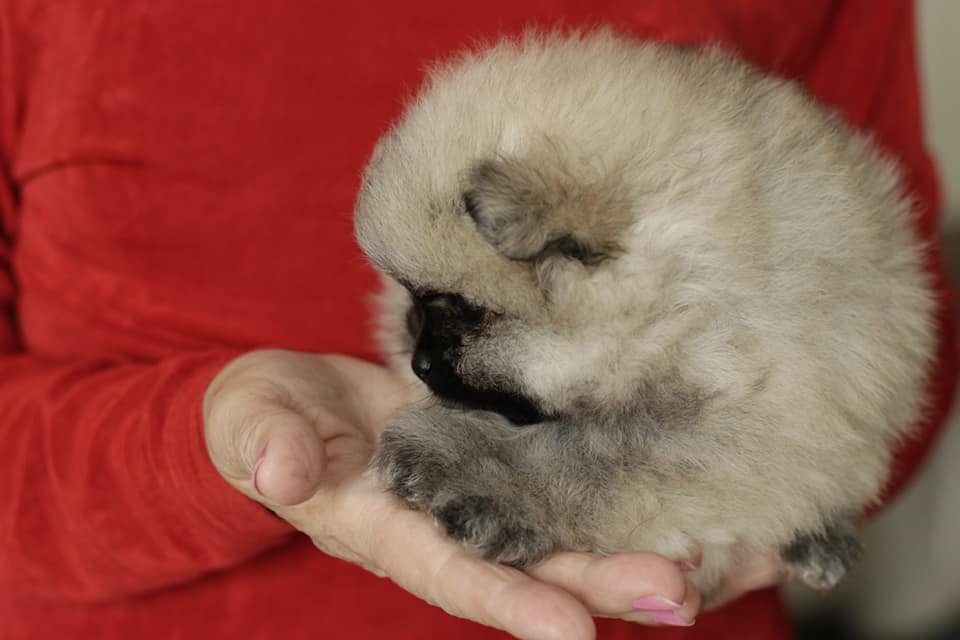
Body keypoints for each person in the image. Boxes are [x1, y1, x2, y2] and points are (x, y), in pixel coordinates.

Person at [1, 1, 955, 639]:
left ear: (573, 243)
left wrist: (794, 493)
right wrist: (186, 444)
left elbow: (891, 372)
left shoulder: (717, 211)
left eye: (453, 310)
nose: (423, 353)